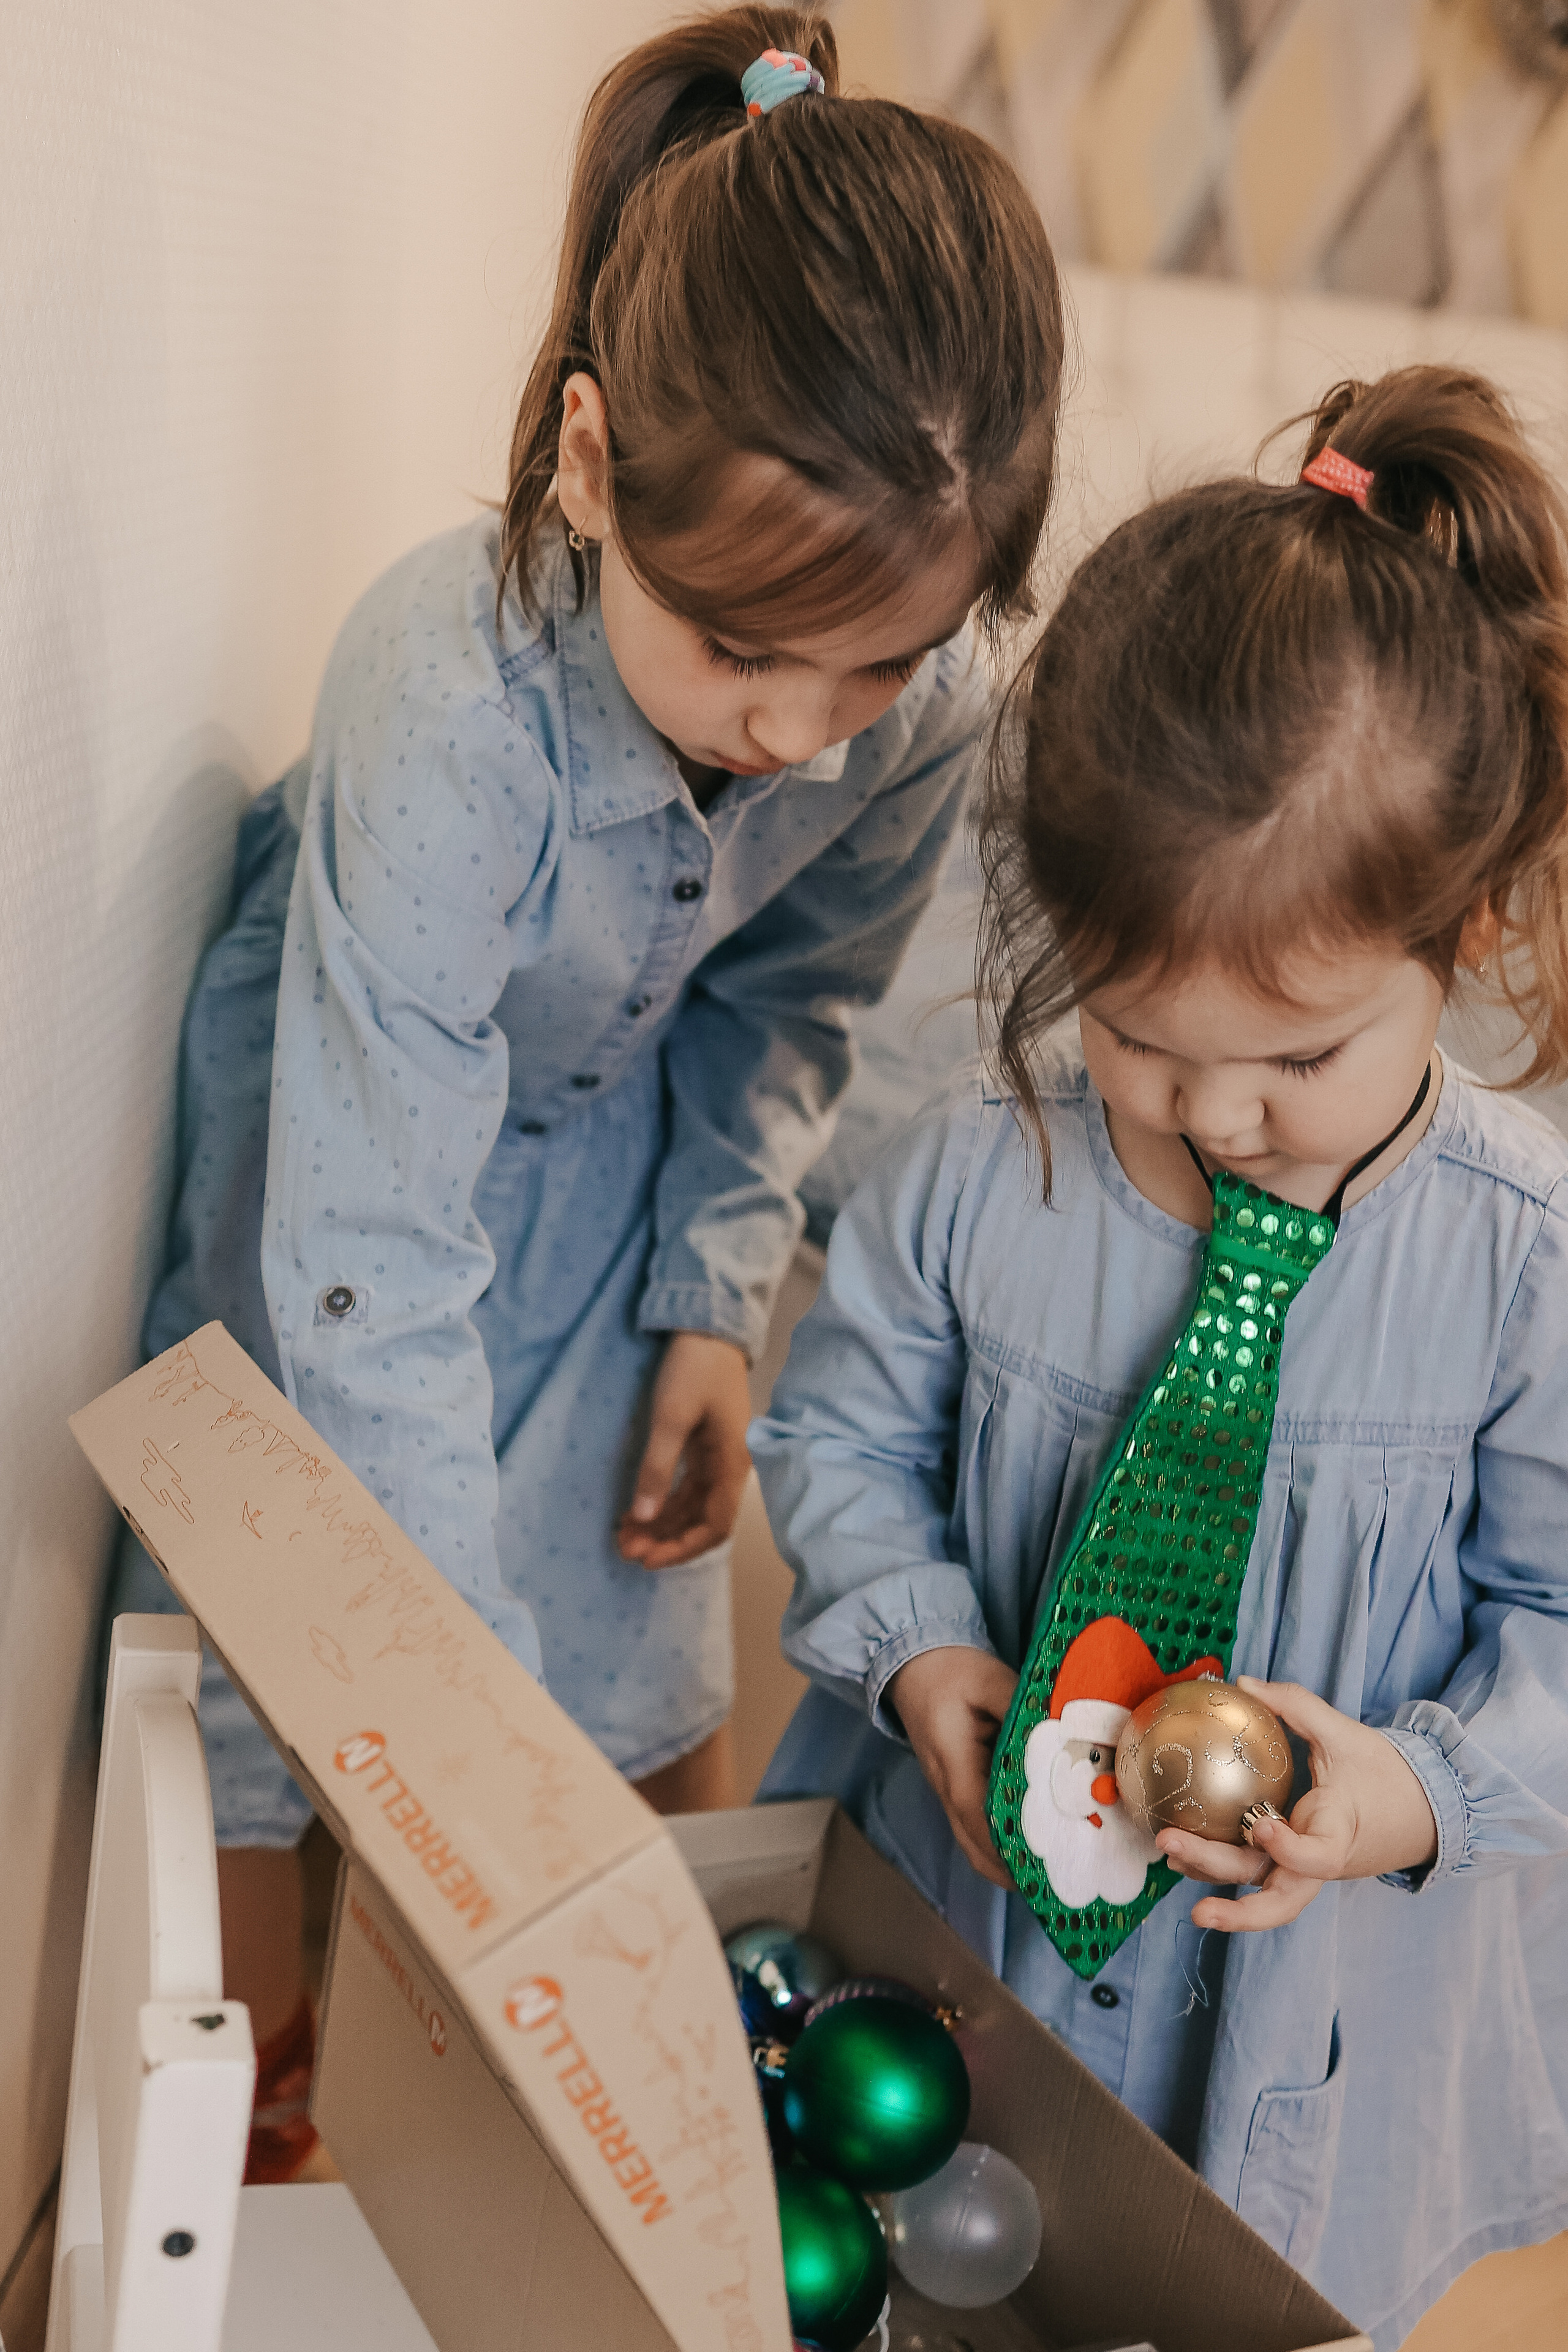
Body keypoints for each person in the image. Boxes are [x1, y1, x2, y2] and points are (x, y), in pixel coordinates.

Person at [110, 6, 1066, 2177]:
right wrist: (464, 1758)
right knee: (319, 1786)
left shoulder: (904, 719)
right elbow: (360, 1265)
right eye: (741, 652)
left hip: (616, 1175)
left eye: (882, 667)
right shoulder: (449, 706)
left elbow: (792, 1005)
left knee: (636, 1775)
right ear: (581, 457)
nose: (804, 734)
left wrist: (717, 1295)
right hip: (348, 1201)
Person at [751, 365, 1568, 2348]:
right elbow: (842, 1434)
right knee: (945, 2266)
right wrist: (930, 1641)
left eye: (1299, 1058)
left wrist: (1412, 1790)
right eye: (1138, 1034)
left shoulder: (1520, 1258)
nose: (1214, 1114)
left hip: (1313, 1994)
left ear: (1460, 938)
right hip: (976, 1924)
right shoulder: (981, 1167)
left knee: (1238, 2298)